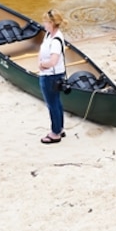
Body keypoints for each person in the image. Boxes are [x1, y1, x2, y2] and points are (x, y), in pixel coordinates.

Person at [38, 9, 67, 144]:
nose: (43, 24)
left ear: (51, 23)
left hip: (51, 76)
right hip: (50, 74)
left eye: (45, 22)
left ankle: (55, 133)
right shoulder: (49, 35)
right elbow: (42, 50)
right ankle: (59, 128)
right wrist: (40, 62)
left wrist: (42, 65)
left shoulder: (55, 40)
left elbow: (53, 61)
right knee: (56, 102)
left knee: (52, 104)